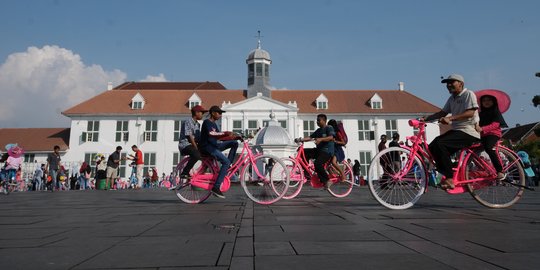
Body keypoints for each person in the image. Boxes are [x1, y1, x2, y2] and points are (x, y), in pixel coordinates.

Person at [423, 74, 480, 190]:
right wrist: (425, 119)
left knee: (440, 143)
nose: (449, 85)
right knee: (433, 146)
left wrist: (450, 118)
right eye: (447, 83)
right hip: (458, 131)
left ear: (461, 84)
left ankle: (449, 178)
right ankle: (449, 171)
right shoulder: (452, 98)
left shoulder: (468, 94)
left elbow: (470, 113)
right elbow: (442, 113)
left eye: (452, 82)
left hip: (469, 131)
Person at [199, 105, 239, 198]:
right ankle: (216, 188)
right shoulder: (207, 122)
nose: (220, 115)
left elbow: (220, 137)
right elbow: (212, 134)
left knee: (234, 143)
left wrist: (234, 137)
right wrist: (225, 133)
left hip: (215, 146)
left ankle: (228, 165)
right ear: (213, 113)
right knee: (225, 161)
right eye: (219, 113)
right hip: (207, 147)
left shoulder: (214, 124)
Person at [474, 90, 509, 180]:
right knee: (471, 150)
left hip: (493, 134)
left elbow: (496, 125)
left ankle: (500, 171)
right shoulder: (480, 114)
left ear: (494, 102)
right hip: (482, 135)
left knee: (489, 147)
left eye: (489, 100)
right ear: (481, 103)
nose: (486, 102)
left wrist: (482, 128)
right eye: (484, 100)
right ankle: (484, 168)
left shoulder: (496, 112)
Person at [298, 114, 335, 189]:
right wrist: (300, 139)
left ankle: (327, 180)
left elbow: (331, 137)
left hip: (327, 151)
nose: (317, 122)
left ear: (324, 121)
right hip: (319, 150)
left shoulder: (329, 128)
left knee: (317, 164)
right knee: (304, 152)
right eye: (317, 120)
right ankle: (306, 172)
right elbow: (310, 137)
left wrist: (321, 139)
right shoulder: (318, 131)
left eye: (319, 120)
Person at [177, 105, 207, 181]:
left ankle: (202, 173)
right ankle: (184, 172)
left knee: (207, 153)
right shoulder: (188, 122)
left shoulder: (198, 124)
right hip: (185, 145)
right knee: (196, 154)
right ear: (196, 113)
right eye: (201, 112)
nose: (202, 114)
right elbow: (189, 136)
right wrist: (196, 148)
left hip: (192, 145)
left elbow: (198, 138)